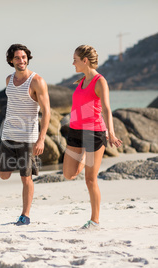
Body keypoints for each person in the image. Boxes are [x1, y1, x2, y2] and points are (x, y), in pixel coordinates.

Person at [63, 45, 122, 229]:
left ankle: (95, 220)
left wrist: (110, 133)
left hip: (93, 134)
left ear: (85, 60)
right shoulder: (81, 81)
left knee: (90, 179)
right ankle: (84, 158)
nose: (73, 62)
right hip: (75, 131)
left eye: (75, 59)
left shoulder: (99, 81)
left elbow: (106, 109)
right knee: (68, 174)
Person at [0, 44, 51, 225]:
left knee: (25, 178)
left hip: (28, 137)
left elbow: (47, 111)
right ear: (11, 60)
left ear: (27, 58)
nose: (21, 60)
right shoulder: (9, 79)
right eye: (17, 58)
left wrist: (41, 139)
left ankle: (25, 215)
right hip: (8, 135)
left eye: (24, 57)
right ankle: (20, 165)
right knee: (3, 174)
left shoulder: (37, 81)